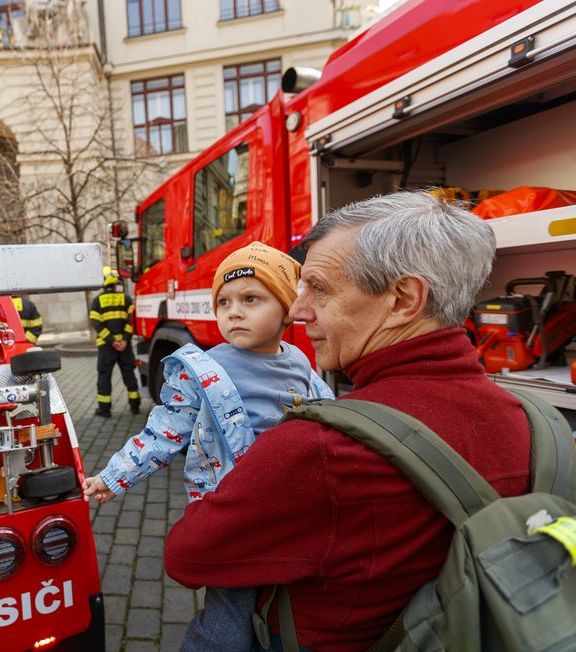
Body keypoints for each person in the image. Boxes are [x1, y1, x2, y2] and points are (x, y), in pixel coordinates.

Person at [164, 191, 533, 652]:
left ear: (403, 300)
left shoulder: (318, 447)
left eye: (318, 288)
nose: (298, 311)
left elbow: (188, 555)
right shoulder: (532, 423)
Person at [83, 242, 333, 651]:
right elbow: (164, 430)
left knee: (284, 609)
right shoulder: (202, 369)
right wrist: (115, 477)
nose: (233, 311)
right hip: (233, 517)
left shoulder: (302, 364)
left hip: (290, 514)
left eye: (251, 299)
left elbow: (332, 414)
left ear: (288, 309)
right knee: (227, 622)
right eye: (224, 302)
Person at [89, 268, 140, 417]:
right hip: (125, 346)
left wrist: (111, 341)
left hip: (106, 347)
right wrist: (124, 340)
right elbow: (131, 322)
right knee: (129, 374)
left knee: (104, 376)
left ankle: (104, 410)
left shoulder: (97, 301)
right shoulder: (126, 299)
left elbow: (97, 325)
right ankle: (135, 406)